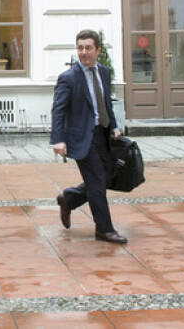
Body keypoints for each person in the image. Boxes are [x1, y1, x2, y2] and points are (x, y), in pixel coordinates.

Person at [50, 29, 127, 244]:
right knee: (96, 182)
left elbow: (105, 101)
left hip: (103, 134)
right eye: (80, 48)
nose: (84, 52)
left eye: (88, 48)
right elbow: (58, 110)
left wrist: (113, 125)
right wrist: (58, 139)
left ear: (97, 50)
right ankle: (104, 229)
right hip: (81, 137)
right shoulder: (68, 78)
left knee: (107, 176)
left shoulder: (104, 72)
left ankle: (69, 198)